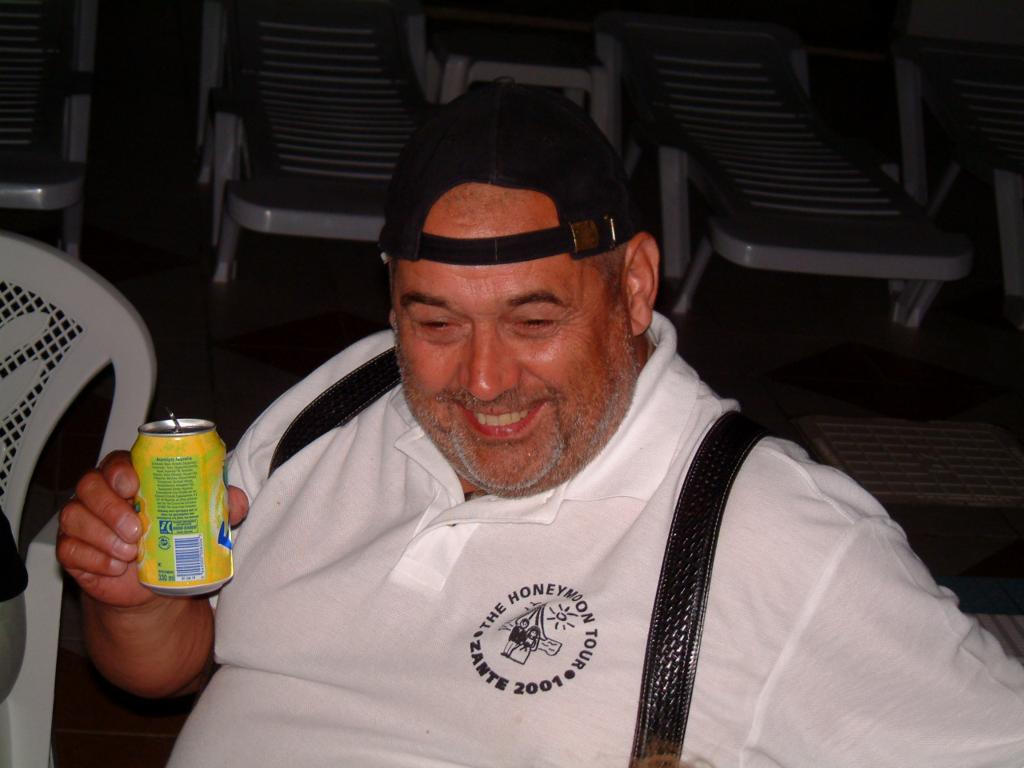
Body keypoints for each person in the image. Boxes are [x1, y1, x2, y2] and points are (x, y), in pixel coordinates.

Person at [57, 84, 1024, 767]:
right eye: (436, 324)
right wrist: (134, 605)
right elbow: (176, 667)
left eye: (533, 321)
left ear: (633, 287)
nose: (483, 381)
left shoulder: (768, 533)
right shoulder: (341, 398)